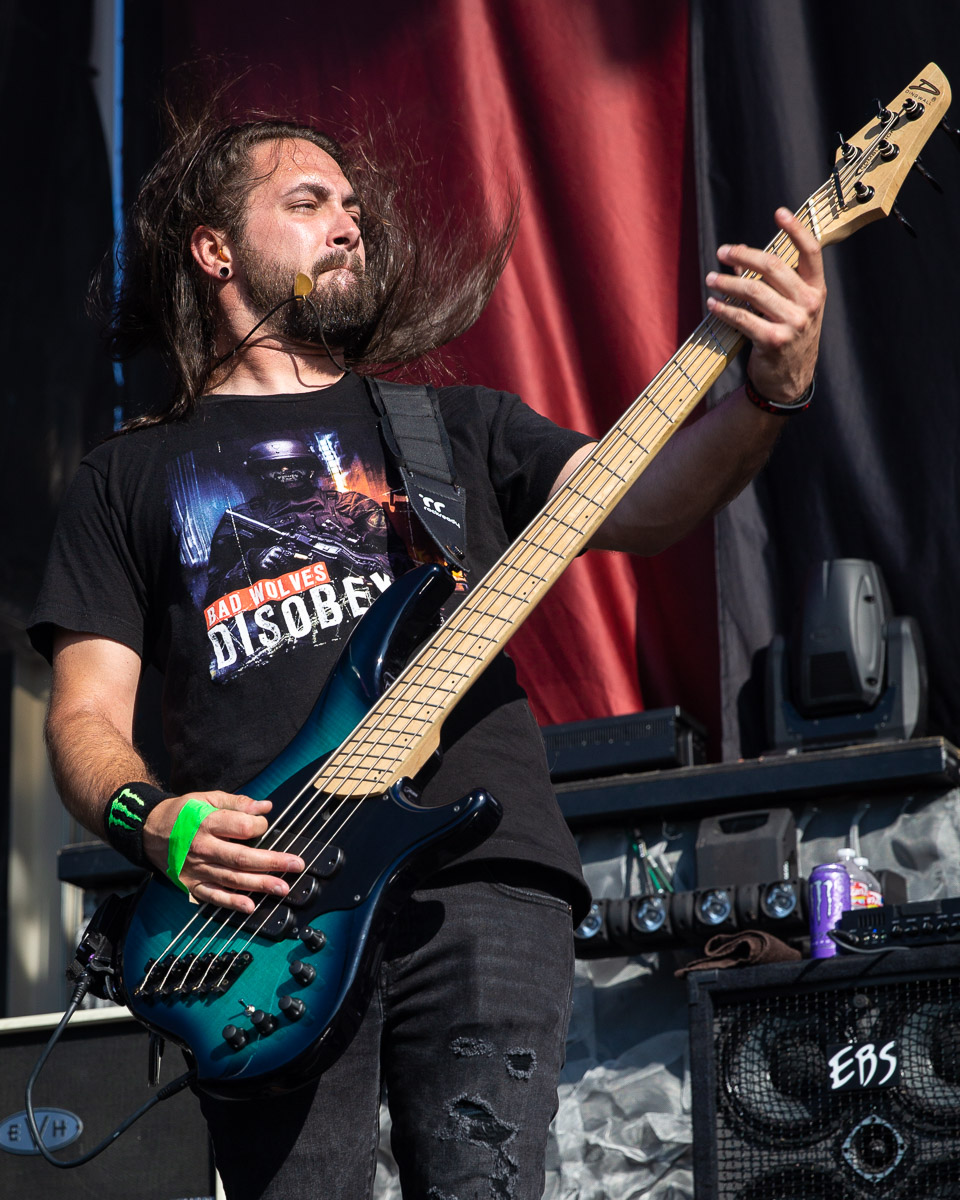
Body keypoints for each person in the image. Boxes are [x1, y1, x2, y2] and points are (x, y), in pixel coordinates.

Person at [28, 112, 824, 1199]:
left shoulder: (449, 432)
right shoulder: (128, 478)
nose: (347, 224)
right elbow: (82, 719)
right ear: (214, 249)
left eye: (353, 207)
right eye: (307, 203)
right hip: (264, 918)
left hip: (478, 876)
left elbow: (646, 499)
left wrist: (771, 391)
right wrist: (154, 820)